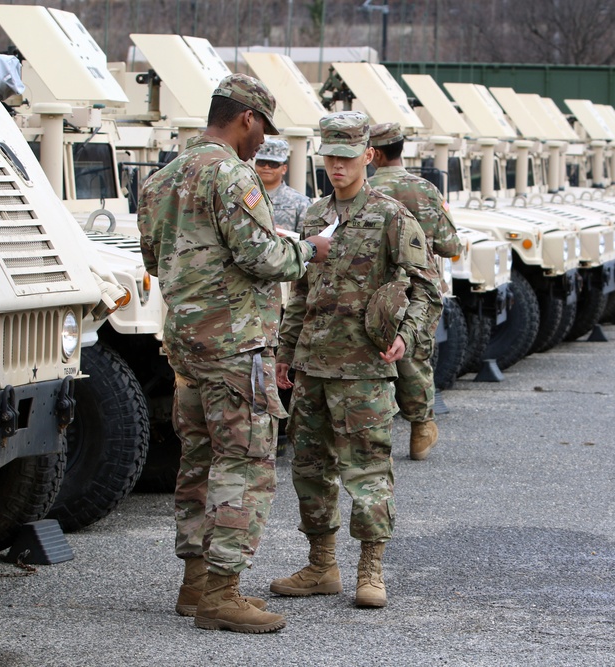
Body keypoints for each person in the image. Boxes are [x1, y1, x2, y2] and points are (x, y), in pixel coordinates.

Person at [137, 73, 331, 634]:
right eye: (262, 128)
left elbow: (154, 259)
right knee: (244, 463)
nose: (262, 142)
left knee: (198, 458)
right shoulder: (230, 174)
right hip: (234, 346)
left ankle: (194, 583)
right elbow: (261, 257)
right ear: (246, 118)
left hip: (186, 344)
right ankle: (223, 593)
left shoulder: (162, 178)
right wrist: (309, 249)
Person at [270, 112, 441, 608]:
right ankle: (322, 566)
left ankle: (371, 568)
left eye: (347, 157)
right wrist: (286, 351)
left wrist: (407, 336)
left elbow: (428, 288)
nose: (337, 166)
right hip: (313, 366)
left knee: (367, 470)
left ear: (369, 155)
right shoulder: (313, 216)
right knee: (309, 468)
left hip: (364, 368)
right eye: (331, 157)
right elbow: (300, 292)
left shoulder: (391, 216)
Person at [367, 122, 462, 460]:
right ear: (401, 149)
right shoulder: (426, 190)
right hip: (419, 285)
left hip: (373, 287)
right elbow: (451, 245)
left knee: (371, 356)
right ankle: (421, 428)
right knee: (414, 355)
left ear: (373, 153)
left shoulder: (361, 189)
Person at [254, 136, 312, 233]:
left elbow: (307, 241)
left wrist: (286, 236)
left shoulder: (300, 203)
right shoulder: (243, 197)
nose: (266, 167)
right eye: (262, 162)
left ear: (284, 169)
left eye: (273, 164)